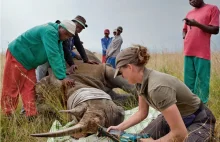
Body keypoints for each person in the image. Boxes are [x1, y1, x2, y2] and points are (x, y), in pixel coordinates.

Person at [107, 45, 216, 141]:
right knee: (140, 139)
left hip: (199, 119)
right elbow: (142, 112)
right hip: (175, 117)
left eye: (121, 72)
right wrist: (119, 128)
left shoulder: (157, 88)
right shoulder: (140, 83)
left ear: (130, 67)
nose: (122, 76)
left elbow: (180, 133)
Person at [1, 20, 76, 118]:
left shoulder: (58, 38)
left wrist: (64, 73)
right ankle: (8, 115)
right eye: (66, 33)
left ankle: (31, 115)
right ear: (60, 27)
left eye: (68, 36)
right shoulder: (49, 31)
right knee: (12, 87)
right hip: (18, 55)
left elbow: (60, 54)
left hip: (30, 63)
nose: (66, 37)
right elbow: (53, 54)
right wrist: (62, 78)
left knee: (30, 88)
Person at [36, 15, 98, 82]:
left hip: (60, 53)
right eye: (79, 27)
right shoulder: (63, 29)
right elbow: (63, 48)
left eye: (81, 29)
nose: (79, 31)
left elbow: (78, 45)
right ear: (73, 23)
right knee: (43, 67)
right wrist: (71, 64)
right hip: (49, 52)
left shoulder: (74, 33)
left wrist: (86, 59)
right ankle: (38, 83)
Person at [182, 0, 219, 104]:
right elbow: (184, 29)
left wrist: (197, 24)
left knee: (202, 82)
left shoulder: (212, 8)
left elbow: (215, 29)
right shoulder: (189, 13)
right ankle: (190, 108)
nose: (191, 1)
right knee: (188, 83)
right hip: (188, 51)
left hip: (202, 52)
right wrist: (185, 36)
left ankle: (203, 109)